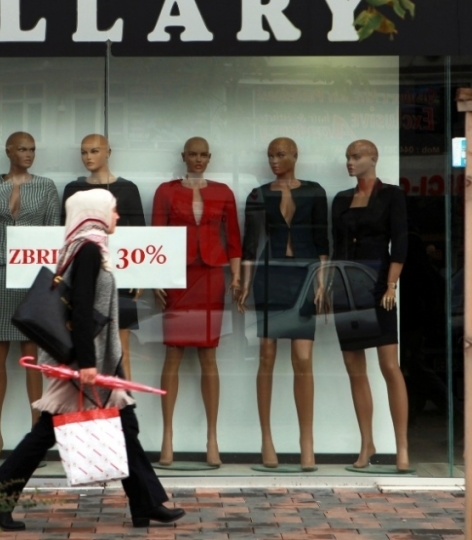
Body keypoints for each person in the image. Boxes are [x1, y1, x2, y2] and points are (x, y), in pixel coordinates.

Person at [0, 189, 185, 530]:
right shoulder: (88, 250)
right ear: (95, 213)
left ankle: (146, 504)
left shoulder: (84, 247)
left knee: (125, 427)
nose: (117, 216)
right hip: (84, 363)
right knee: (46, 433)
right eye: (113, 211)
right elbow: (84, 311)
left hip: (95, 359)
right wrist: (87, 364)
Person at [237, 137, 329, 470]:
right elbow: (250, 243)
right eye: (270, 155)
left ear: (294, 155)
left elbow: (322, 240)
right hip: (269, 275)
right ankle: (267, 442)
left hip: (304, 276)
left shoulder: (314, 191)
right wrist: (244, 284)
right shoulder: (259, 194)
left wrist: (322, 282)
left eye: (280, 154)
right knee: (267, 355)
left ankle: (307, 444)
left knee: (302, 357)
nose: (274, 160)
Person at [0, 132, 61, 465]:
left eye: (32, 149)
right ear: (8, 151)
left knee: (31, 357)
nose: (28, 154)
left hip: (32, 277)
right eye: (22, 149)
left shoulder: (46, 187)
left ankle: (35, 438)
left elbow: (54, 233)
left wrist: (51, 282)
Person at [152, 137, 242, 467]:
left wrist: (236, 277)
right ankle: (167, 438)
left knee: (208, 355)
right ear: (183, 156)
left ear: (210, 157)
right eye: (193, 154)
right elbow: (156, 236)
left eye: (204, 154)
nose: (198, 159)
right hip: (176, 277)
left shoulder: (223, 192)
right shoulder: (166, 190)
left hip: (211, 276)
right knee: (173, 353)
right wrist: (157, 279)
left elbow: (233, 239)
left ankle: (212, 438)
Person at [330, 139, 409, 471]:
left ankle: (402, 447)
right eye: (348, 156)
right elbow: (335, 245)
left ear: (374, 158)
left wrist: (392, 284)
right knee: (355, 369)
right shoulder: (341, 200)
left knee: (390, 366)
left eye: (357, 156)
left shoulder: (391, 195)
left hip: (379, 286)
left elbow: (400, 240)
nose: (350, 162)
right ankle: (367, 444)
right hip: (346, 286)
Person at [62, 133, 146, 380]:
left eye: (95, 151)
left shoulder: (127, 190)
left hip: (120, 275)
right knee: (83, 350)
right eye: (84, 152)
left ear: (108, 152)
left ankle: (123, 410)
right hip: (82, 279)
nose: (88, 157)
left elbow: (141, 235)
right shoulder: (73, 190)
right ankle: (90, 413)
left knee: (121, 350)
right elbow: (63, 235)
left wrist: (142, 275)